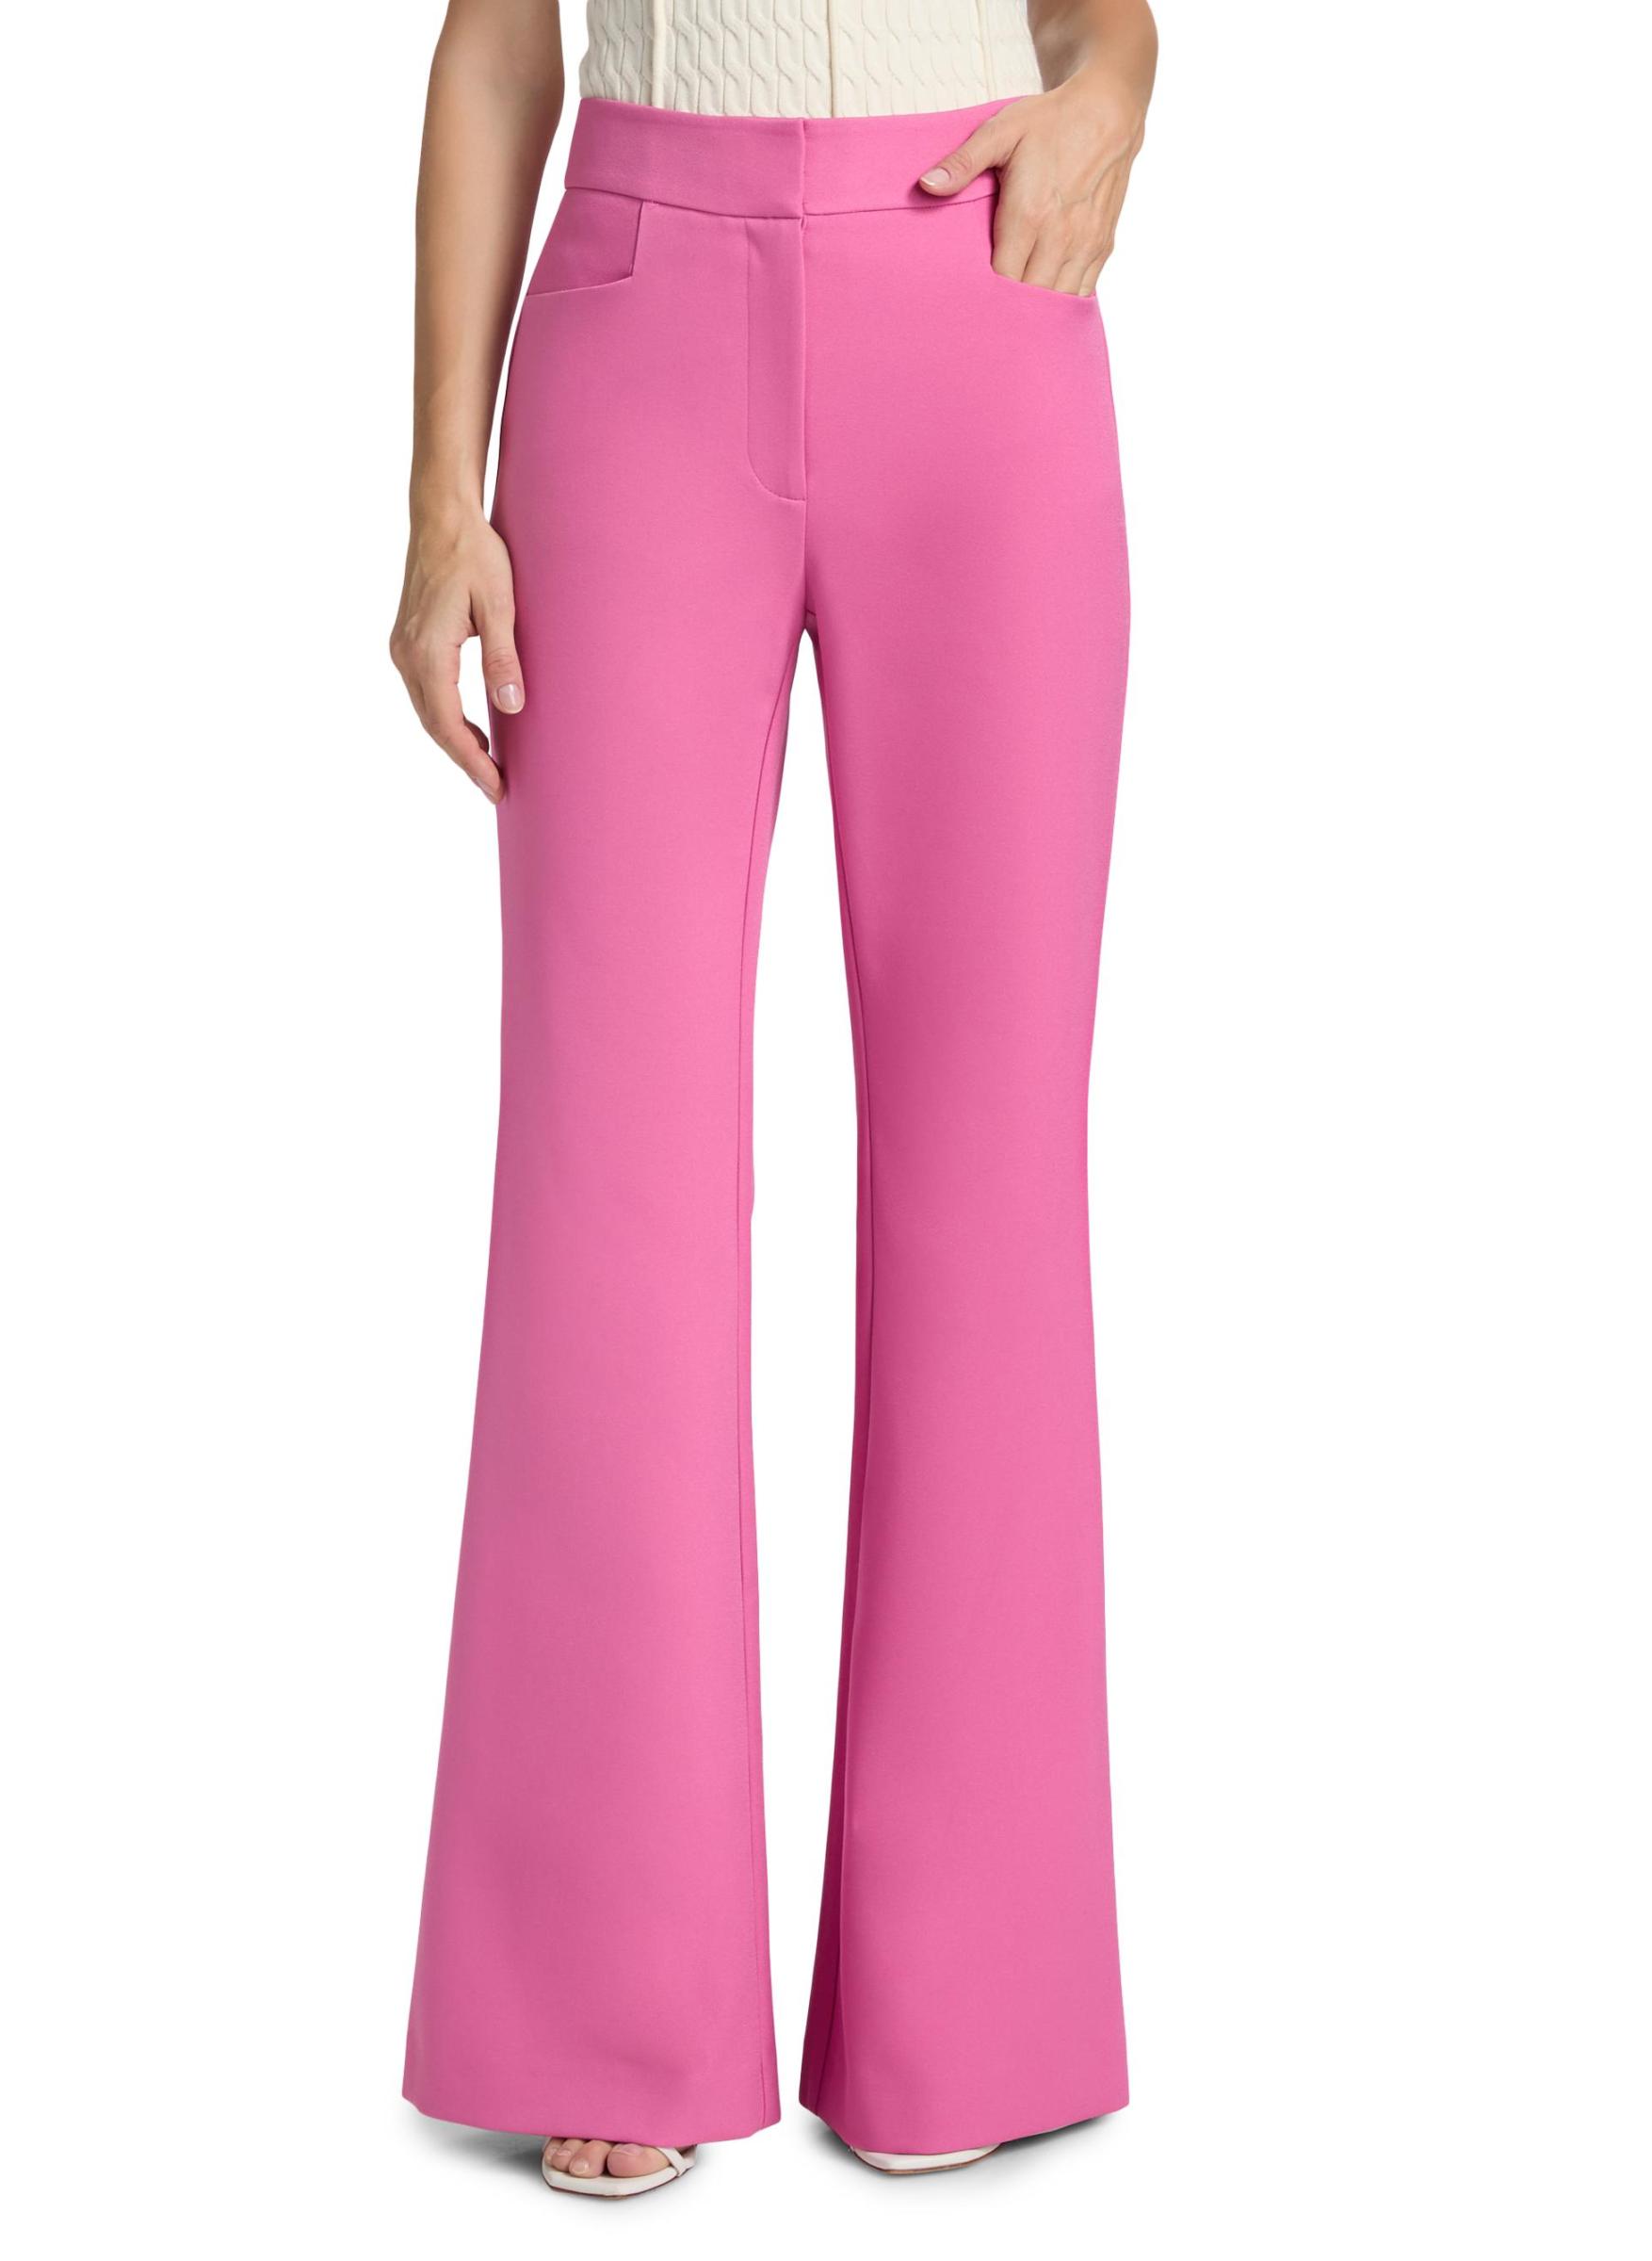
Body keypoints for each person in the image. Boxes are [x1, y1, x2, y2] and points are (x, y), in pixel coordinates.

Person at [391, 0, 1156, 2198]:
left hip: (981, 308)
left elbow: (1097, 14)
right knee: (607, 1183)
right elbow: (495, 49)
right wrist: (441, 499)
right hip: (643, 319)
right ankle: (599, 1991)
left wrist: (1116, 96)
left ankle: (974, 2000)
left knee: (990, 1186)